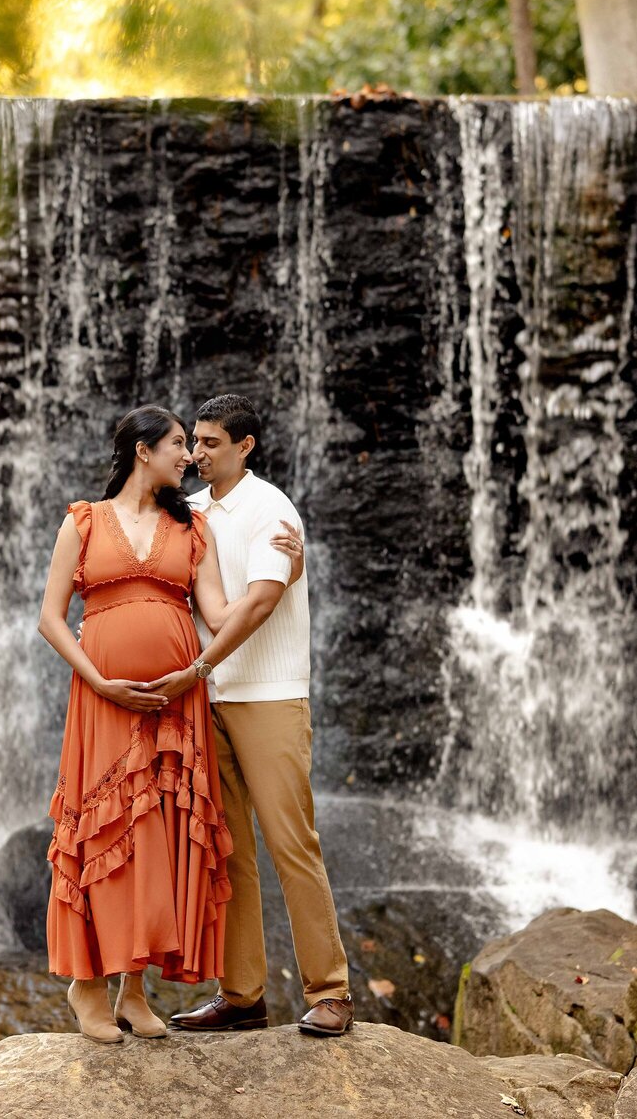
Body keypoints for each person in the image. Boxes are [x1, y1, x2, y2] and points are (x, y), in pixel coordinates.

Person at [37, 404, 302, 1043]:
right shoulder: (83, 522)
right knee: (105, 832)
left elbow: (217, 610)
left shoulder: (192, 528)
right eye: (179, 443)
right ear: (142, 450)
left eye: (194, 443)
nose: (188, 456)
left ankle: (135, 989)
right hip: (103, 697)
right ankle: (89, 985)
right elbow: (50, 617)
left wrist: (281, 573)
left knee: (158, 834)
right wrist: (96, 678)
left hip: (174, 705)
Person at [166, 393, 354, 1038]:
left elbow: (260, 603)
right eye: (194, 440)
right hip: (206, 702)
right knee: (228, 852)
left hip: (267, 694)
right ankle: (242, 995)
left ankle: (331, 992)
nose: (196, 453)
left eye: (211, 442)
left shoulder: (271, 507)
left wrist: (198, 664)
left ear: (245, 446)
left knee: (290, 844)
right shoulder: (186, 512)